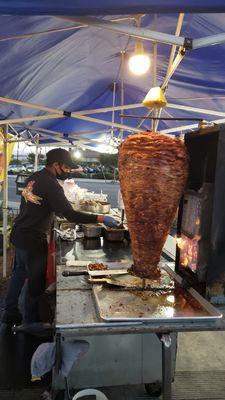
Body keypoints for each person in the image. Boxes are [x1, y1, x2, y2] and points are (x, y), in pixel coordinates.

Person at [2, 148, 118, 326]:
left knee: (19, 274)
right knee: (35, 283)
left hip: (20, 233)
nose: (68, 171)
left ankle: (9, 312)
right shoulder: (51, 184)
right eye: (66, 167)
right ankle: (30, 322)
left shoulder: (34, 176)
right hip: (33, 239)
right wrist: (101, 218)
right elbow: (70, 215)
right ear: (56, 165)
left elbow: (40, 205)